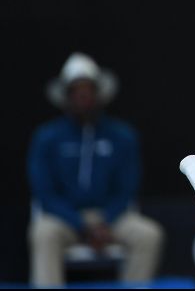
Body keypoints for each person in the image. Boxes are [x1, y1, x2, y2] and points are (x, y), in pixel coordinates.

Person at [27, 52, 164, 287]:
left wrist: (104, 221)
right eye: (76, 90)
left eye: (88, 89)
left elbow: (127, 189)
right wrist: (81, 224)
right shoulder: (47, 138)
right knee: (43, 233)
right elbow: (45, 194)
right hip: (64, 218)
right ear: (66, 96)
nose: (83, 96)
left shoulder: (122, 136)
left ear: (98, 94)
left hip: (111, 216)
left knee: (149, 235)